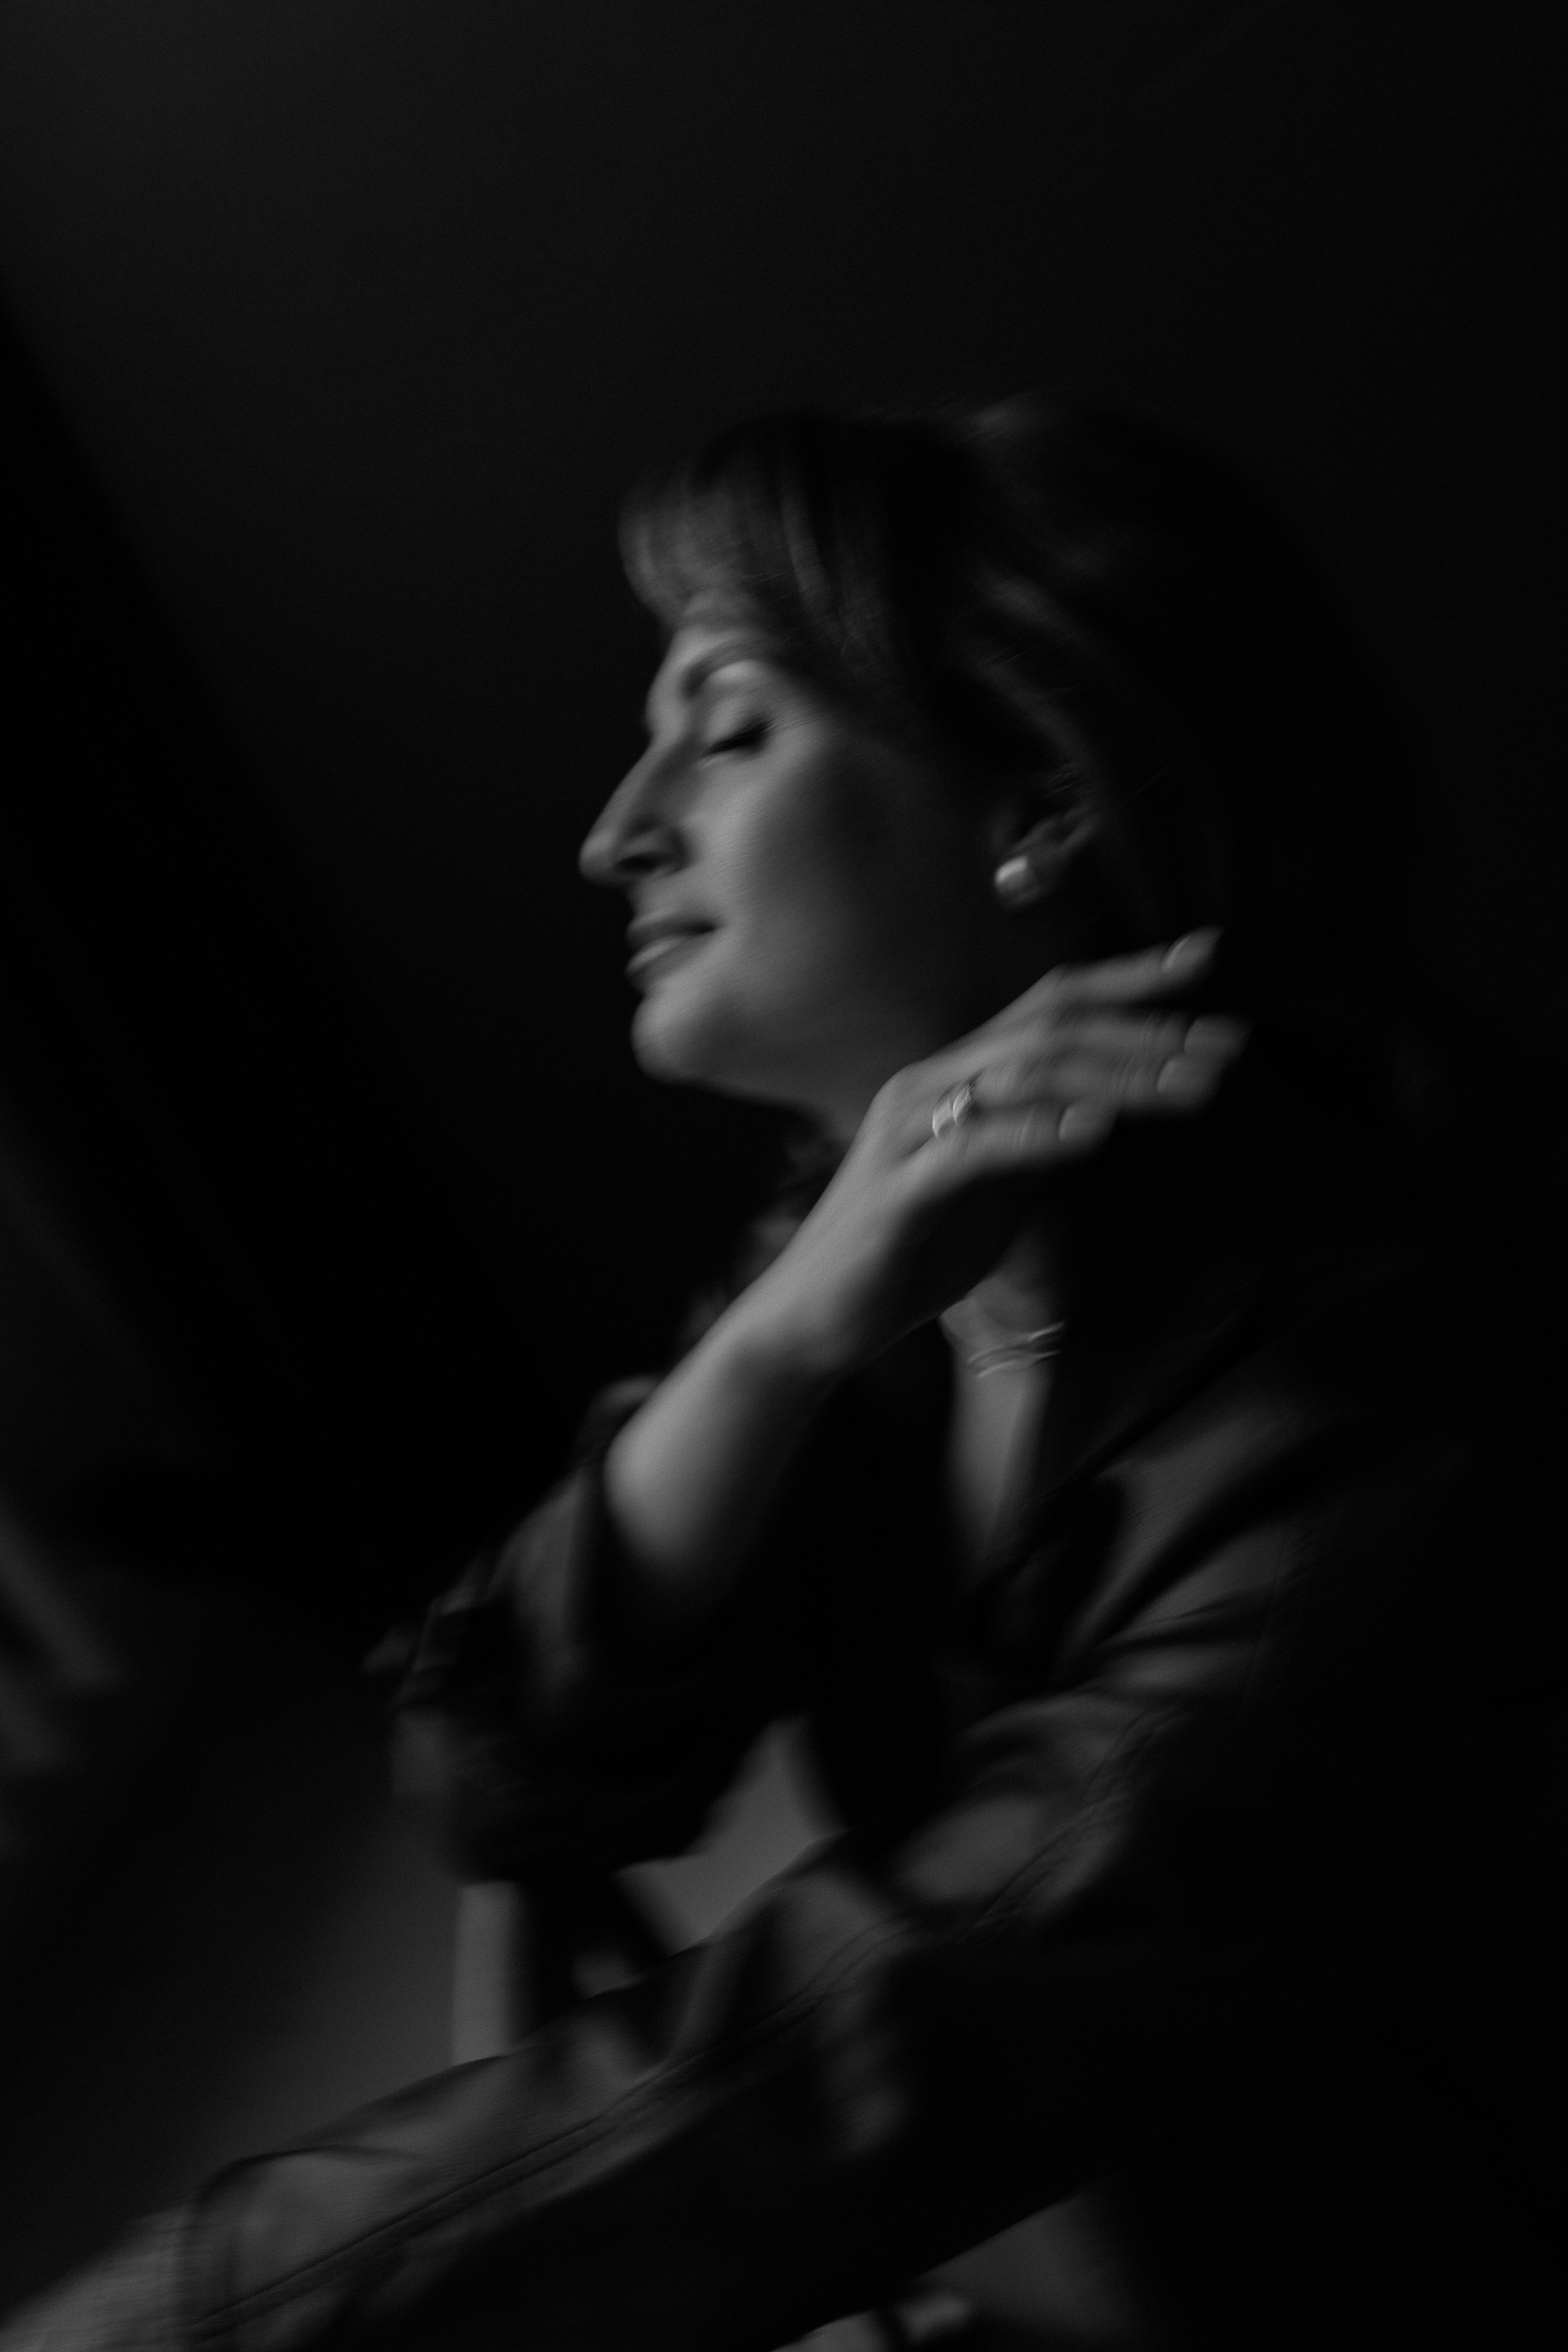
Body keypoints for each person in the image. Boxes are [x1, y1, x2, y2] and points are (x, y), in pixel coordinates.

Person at [4, 400, 1561, 2350]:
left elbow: (835, 2068)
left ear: (1039, 799)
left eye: (729, 732)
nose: (616, 830)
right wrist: (772, 1341)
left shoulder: (1362, 1454)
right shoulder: (912, 1220)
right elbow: (496, 1775)